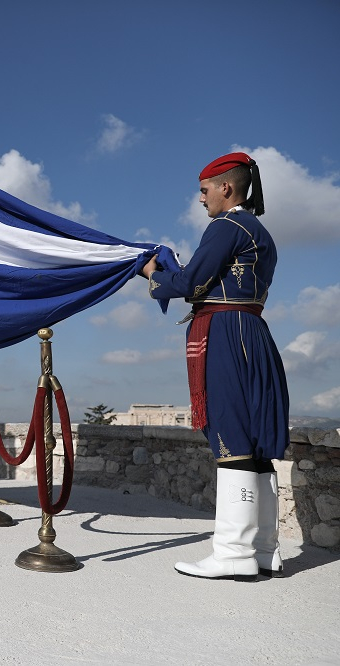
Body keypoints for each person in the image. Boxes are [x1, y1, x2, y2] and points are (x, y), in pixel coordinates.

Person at [141, 151, 289, 581]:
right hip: (254, 332)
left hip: (226, 333)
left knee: (233, 437)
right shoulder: (261, 232)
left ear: (226, 187)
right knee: (256, 445)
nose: (201, 199)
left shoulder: (225, 227)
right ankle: (264, 550)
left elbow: (190, 284)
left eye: (204, 190)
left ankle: (231, 553)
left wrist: (153, 274)